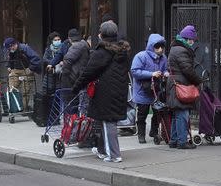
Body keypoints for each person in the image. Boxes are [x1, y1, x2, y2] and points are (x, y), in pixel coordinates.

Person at [72, 21, 131, 162]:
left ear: (101, 34)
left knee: (107, 121)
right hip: (120, 89)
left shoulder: (101, 52)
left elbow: (88, 73)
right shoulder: (124, 50)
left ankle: (114, 155)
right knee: (108, 120)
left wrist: (76, 87)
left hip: (105, 90)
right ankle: (102, 149)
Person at [167, 25, 204, 149]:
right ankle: (182, 141)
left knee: (177, 114)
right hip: (181, 84)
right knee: (182, 113)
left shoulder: (175, 48)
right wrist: (198, 80)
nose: (193, 42)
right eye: (192, 40)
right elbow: (187, 70)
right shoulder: (182, 50)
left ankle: (174, 140)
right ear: (187, 39)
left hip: (175, 83)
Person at [131, 33, 168, 144]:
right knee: (142, 113)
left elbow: (166, 69)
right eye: (157, 47)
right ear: (151, 46)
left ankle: (154, 131)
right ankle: (141, 135)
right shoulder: (141, 56)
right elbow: (134, 71)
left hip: (156, 90)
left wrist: (166, 73)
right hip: (143, 90)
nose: (160, 49)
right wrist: (151, 74)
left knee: (158, 112)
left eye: (162, 47)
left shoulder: (163, 58)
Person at [3, 37, 41, 109]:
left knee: (25, 92)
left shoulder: (25, 48)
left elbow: (36, 58)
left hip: (26, 70)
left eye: (9, 48)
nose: (9, 50)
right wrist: (9, 66)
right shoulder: (11, 51)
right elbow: (10, 59)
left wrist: (31, 69)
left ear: (13, 45)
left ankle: (23, 108)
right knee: (11, 89)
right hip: (15, 70)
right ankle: (13, 108)